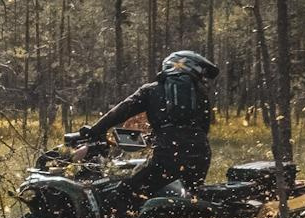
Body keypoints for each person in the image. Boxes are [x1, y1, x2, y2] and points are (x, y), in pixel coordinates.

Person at [80, 48, 220, 209]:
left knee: (124, 194)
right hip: (201, 156)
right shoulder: (200, 94)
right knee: (190, 199)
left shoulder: (151, 90)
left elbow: (119, 113)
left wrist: (94, 130)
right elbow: (204, 128)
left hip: (167, 156)